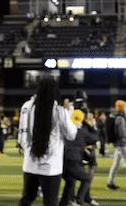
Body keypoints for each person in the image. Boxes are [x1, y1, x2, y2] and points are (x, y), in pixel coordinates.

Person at [17, 77, 76, 206]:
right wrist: (69, 112)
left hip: (30, 163)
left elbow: (22, 136)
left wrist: (26, 148)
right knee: (50, 202)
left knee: (26, 199)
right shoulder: (59, 111)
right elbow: (71, 134)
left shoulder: (27, 106)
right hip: (51, 166)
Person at [59, 109, 98, 206]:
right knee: (86, 179)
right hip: (73, 161)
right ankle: (79, 201)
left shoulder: (65, 130)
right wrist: (92, 126)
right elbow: (95, 138)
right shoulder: (82, 132)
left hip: (61, 162)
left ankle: (63, 203)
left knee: (70, 181)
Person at [106, 100, 126, 192]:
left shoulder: (118, 116)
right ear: (123, 107)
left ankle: (110, 183)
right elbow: (121, 132)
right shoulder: (120, 118)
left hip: (119, 144)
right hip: (122, 144)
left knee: (116, 164)